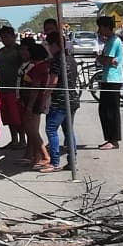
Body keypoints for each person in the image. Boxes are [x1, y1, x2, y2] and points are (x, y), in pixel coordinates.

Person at [41, 31, 79, 172]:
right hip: (72, 98)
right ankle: (72, 161)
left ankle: (54, 162)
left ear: (55, 45)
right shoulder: (71, 59)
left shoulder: (57, 60)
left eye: (49, 45)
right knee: (68, 130)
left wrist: (44, 98)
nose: (48, 48)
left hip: (60, 101)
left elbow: (53, 81)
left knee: (51, 129)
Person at [0, 25, 25, 149]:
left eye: (6, 36)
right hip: (3, 88)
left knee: (17, 117)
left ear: (13, 36)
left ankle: (22, 141)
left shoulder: (19, 51)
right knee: (8, 117)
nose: (4, 39)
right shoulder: (0, 52)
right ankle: (14, 140)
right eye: (2, 37)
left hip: (15, 90)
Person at [18, 38, 51, 168]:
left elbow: (35, 88)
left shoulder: (38, 68)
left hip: (34, 102)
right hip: (33, 101)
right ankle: (36, 156)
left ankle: (44, 155)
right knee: (32, 129)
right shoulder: (41, 66)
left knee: (31, 130)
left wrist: (30, 106)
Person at [96, 16, 123, 149]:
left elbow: (106, 60)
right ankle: (109, 138)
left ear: (107, 27)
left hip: (113, 79)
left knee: (111, 111)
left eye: (100, 27)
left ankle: (113, 140)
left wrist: (100, 58)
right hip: (108, 78)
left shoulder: (114, 41)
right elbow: (107, 60)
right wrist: (104, 58)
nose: (99, 31)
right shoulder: (109, 41)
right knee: (104, 110)